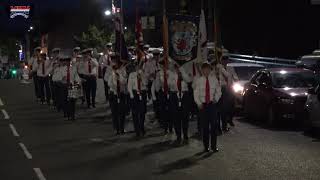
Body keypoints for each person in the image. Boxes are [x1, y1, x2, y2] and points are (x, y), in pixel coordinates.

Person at [194, 62, 222, 153]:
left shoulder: (214, 79)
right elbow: (196, 93)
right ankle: (206, 147)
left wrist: (216, 99)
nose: (206, 71)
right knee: (205, 127)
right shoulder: (198, 81)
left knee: (214, 126)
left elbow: (219, 91)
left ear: (210, 70)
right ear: (202, 70)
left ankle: (214, 146)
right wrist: (198, 103)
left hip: (212, 105)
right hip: (203, 106)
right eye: (204, 69)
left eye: (208, 69)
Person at [169, 64, 192, 144]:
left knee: (185, 116)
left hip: (184, 95)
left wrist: (182, 72)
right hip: (174, 95)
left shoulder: (185, 71)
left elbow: (189, 80)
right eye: (176, 65)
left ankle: (185, 135)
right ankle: (178, 135)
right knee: (176, 117)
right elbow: (169, 84)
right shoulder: (171, 73)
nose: (177, 67)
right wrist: (177, 78)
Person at [211, 55, 234, 132]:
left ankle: (218, 128)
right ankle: (222, 127)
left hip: (216, 89)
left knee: (217, 110)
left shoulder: (212, 69)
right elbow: (228, 75)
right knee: (222, 110)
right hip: (221, 89)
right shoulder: (220, 67)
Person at [108, 56, 128, 135]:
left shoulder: (122, 71)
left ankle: (122, 128)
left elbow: (124, 81)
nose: (115, 64)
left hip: (121, 93)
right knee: (114, 112)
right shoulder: (110, 72)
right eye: (114, 63)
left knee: (122, 112)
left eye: (117, 63)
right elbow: (109, 83)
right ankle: (116, 128)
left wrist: (119, 77)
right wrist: (114, 80)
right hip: (114, 94)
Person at [128, 63, 148, 137]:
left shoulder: (143, 74)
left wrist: (142, 78)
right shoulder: (132, 75)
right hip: (135, 94)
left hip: (142, 94)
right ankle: (137, 130)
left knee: (142, 112)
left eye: (139, 67)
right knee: (135, 113)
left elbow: (146, 84)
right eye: (136, 67)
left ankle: (142, 127)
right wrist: (132, 96)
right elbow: (129, 86)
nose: (138, 68)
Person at [60, 56, 81, 121]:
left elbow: (76, 76)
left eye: (68, 61)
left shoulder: (73, 68)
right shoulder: (61, 69)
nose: (67, 62)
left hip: (71, 86)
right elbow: (58, 77)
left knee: (72, 101)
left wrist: (78, 82)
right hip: (64, 86)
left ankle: (72, 115)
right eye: (66, 61)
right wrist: (62, 79)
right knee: (65, 101)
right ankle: (67, 114)